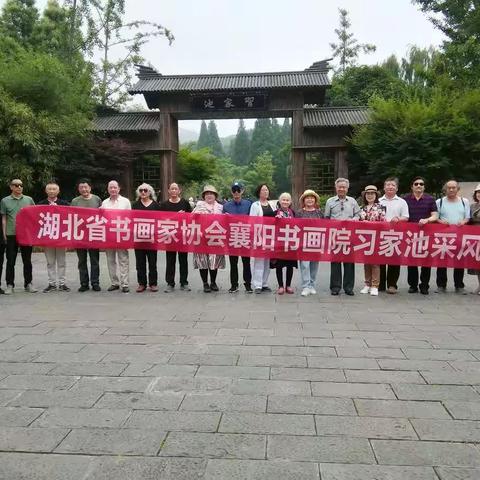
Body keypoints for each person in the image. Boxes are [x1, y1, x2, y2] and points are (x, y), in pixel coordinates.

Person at [324, 178, 361, 296]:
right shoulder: (330, 201)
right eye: (339, 187)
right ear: (336, 188)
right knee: (335, 262)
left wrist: (351, 221)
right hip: (335, 236)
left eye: (344, 187)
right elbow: (326, 217)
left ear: (347, 188)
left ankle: (348, 287)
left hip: (349, 235)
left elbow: (358, 214)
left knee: (349, 262)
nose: (341, 189)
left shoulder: (352, 201)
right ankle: (335, 287)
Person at [402, 177, 438, 295]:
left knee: (426, 261)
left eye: (421, 184)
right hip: (410, 234)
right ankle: (412, 285)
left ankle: (424, 285)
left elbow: (435, 216)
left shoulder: (430, 199)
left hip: (426, 234)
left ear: (424, 187)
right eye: (416, 184)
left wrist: (427, 220)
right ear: (412, 186)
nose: (418, 186)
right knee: (411, 260)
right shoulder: (406, 199)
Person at [0, 179, 37, 294]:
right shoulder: (5, 201)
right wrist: (4, 234)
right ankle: (10, 285)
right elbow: (4, 218)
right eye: (16, 185)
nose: (19, 187)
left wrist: (33, 233)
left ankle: (28, 283)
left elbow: (35, 216)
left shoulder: (28, 199)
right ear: (11, 187)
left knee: (27, 260)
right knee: (11, 261)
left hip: (26, 234)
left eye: (21, 185)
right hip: (11, 234)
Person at [436, 180, 470, 294]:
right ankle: (441, 285)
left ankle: (459, 285)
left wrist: (464, 222)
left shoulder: (464, 201)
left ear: (458, 189)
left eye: (453, 187)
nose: (451, 190)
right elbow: (436, 217)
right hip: (443, 236)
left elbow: (467, 217)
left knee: (459, 260)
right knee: (442, 261)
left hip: (460, 235)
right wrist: (441, 222)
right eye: (449, 188)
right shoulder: (439, 202)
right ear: (445, 189)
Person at [159, 182, 192, 292]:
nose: (173, 191)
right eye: (171, 189)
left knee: (183, 260)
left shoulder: (185, 203)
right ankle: (170, 283)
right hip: (170, 236)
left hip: (182, 235)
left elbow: (191, 218)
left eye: (175, 189)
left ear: (179, 191)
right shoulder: (164, 205)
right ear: (168, 191)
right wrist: (176, 216)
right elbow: (161, 219)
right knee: (170, 260)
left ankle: (184, 282)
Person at [37, 182, 70, 292]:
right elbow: (36, 222)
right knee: (50, 262)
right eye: (49, 189)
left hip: (61, 237)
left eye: (54, 189)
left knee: (62, 262)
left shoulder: (64, 204)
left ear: (58, 191)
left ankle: (62, 283)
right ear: (46, 191)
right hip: (47, 237)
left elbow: (70, 220)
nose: (52, 191)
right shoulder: (40, 204)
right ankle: (51, 284)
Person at [379, 177, 409, 294]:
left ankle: (392, 284)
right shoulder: (379, 201)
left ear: (397, 188)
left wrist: (398, 218)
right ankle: (380, 284)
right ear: (384, 187)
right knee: (380, 260)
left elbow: (406, 217)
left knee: (394, 260)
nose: (390, 187)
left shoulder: (402, 202)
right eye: (388, 185)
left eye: (393, 185)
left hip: (396, 235)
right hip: (380, 234)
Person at [71, 179, 102, 292]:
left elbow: (102, 215)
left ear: (90, 188)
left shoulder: (97, 199)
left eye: (86, 187)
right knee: (82, 260)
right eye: (81, 187)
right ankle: (84, 283)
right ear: (78, 189)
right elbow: (71, 217)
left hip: (94, 234)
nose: (84, 189)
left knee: (95, 260)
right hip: (79, 235)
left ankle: (95, 282)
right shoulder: (75, 201)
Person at [192, 185, 225, 292]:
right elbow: (191, 219)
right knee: (202, 261)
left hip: (215, 238)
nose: (209, 195)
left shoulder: (220, 207)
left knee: (214, 261)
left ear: (215, 195)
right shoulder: (199, 206)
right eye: (207, 194)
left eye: (211, 193)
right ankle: (205, 283)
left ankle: (213, 282)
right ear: (204, 196)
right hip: (201, 238)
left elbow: (225, 222)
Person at [101, 180, 131, 293]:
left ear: (119, 189)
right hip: (109, 234)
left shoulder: (125, 201)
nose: (113, 189)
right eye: (111, 187)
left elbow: (130, 217)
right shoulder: (104, 203)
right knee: (110, 259)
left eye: (115, 187)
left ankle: (125, 283)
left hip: (122, 234)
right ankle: (114, 282)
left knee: (123, 259)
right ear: (108, 189)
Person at [223, 181, 252, 293]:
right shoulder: (226, 206)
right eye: (234, 190)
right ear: (231, 191)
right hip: (232, 237)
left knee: (246, 262)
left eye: (238, 190)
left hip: (245, 236)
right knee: (233, 263)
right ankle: (234, 285)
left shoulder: (249, 204)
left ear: (242, 191)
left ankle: (248, 284)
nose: (236, 192)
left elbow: (254, 219)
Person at [359, 185, 386, 297]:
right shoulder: (362, 208)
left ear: (376, 195)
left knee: (375, 263)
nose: (370, 195)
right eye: (368, 194)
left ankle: (375, 285)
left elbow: (383, 223)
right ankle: (367, 284)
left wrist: (370, 225)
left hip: (377, 238)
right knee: (366, 263)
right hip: (364, 238)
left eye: (372, 194)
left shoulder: (381, 208)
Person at [132, 183, 159, 293]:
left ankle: (153, 283)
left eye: (145, 190)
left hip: (152, 238)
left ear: (150, 192)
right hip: (138, 238)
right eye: (141, 190)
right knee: (140, 262)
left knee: (152, 262)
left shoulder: (156, 205)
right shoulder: (135, 205)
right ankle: (141, 283)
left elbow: (162, 220)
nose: (143, 192)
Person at [296, 189, 323, 297]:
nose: (310, 199)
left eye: (312, 197)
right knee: (305, 265)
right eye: (307, 198)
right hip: (303, 242)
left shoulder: (319, 212)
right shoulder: (299, 213)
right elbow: (296, 227)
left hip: (317, 242)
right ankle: (306, 286)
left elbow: (325, 227)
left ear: (315, 200)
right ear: (304, 200)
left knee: (314, 264)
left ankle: (312, 284)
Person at [250, 183, 275, 294]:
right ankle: (257, 285)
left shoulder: (273, 204)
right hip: (259, 236)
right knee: (259, 261)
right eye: (263, 190)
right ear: (259, 192)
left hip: (270, 236)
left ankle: (264, 283)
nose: (265, 192)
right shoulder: (255, 205)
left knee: (267, 261)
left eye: (267, 190)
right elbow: (252, 221)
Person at [273, 192, 297, 294]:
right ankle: (280, 286)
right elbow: (267, 224)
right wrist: (275, 220)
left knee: (290, 265)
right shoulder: (275, 213)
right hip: (279, 243)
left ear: (290, 202)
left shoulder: (294, 213)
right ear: (279, 201)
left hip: (291, 242)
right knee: (279, 265)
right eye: (283, 199)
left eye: (287, 200)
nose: (285, 202)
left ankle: (288, 285)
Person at [467, 184, 480, 295]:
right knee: (477, 263)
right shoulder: (472, 206)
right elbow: (468, 220)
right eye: (478, 192)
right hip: (474, 237)